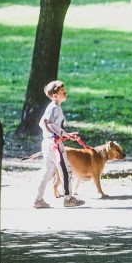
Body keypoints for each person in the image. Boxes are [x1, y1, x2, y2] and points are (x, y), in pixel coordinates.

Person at [34, 80, 85, 208]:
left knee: (47, 171)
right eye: (62, 91)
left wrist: (67, 135)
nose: (65, 92)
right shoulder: (54, 108)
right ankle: (68, 199)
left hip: (48, 143)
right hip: (54, 145)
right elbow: (43, 123)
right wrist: (54, 136)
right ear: (55, 96)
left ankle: (37, 199)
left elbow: (52, 125)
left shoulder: (54, 107)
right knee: (66, 170)